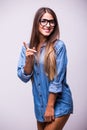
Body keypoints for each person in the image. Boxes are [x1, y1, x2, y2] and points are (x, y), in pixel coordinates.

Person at [17, 7, 73, 130]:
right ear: (37, 22)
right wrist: (28, 61)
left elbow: (57, 80)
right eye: (44, 21)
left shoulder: (59, 46)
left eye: (52, 21)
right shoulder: (27, 48)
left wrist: (50, 106)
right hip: (39, 105)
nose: (48, 25)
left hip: (58, 103)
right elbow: (23, 77)